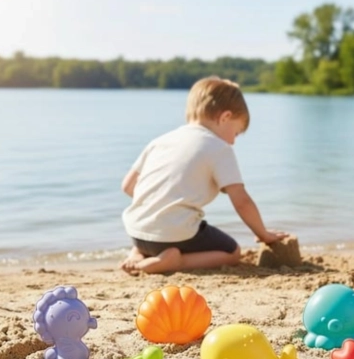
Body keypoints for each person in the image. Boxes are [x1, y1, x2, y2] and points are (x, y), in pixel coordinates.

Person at [120, 76, 288, 275]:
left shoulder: (160, 141)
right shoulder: (219, 148)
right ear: (225, 117)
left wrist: (159, 204)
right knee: (232, 252)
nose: (233, 141)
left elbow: (128, 186)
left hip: (136, 231)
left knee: (162, 234)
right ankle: (176, 262)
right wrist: (263, 234)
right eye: (236, 132)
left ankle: (138, 253)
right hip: (173, 234)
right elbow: (241, 200)